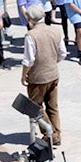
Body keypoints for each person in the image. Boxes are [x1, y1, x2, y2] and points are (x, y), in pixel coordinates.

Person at [20, 11, 63, 147]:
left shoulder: (31, 35)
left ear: (29, 19)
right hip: (53, 74)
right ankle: (56, 134)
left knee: (35, 108)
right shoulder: (55, 31)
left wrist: (24, 75)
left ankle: (51, 134)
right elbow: (63, 53)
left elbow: (29, 60)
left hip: (37, 78)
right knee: (52, 106)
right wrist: (52, 62)